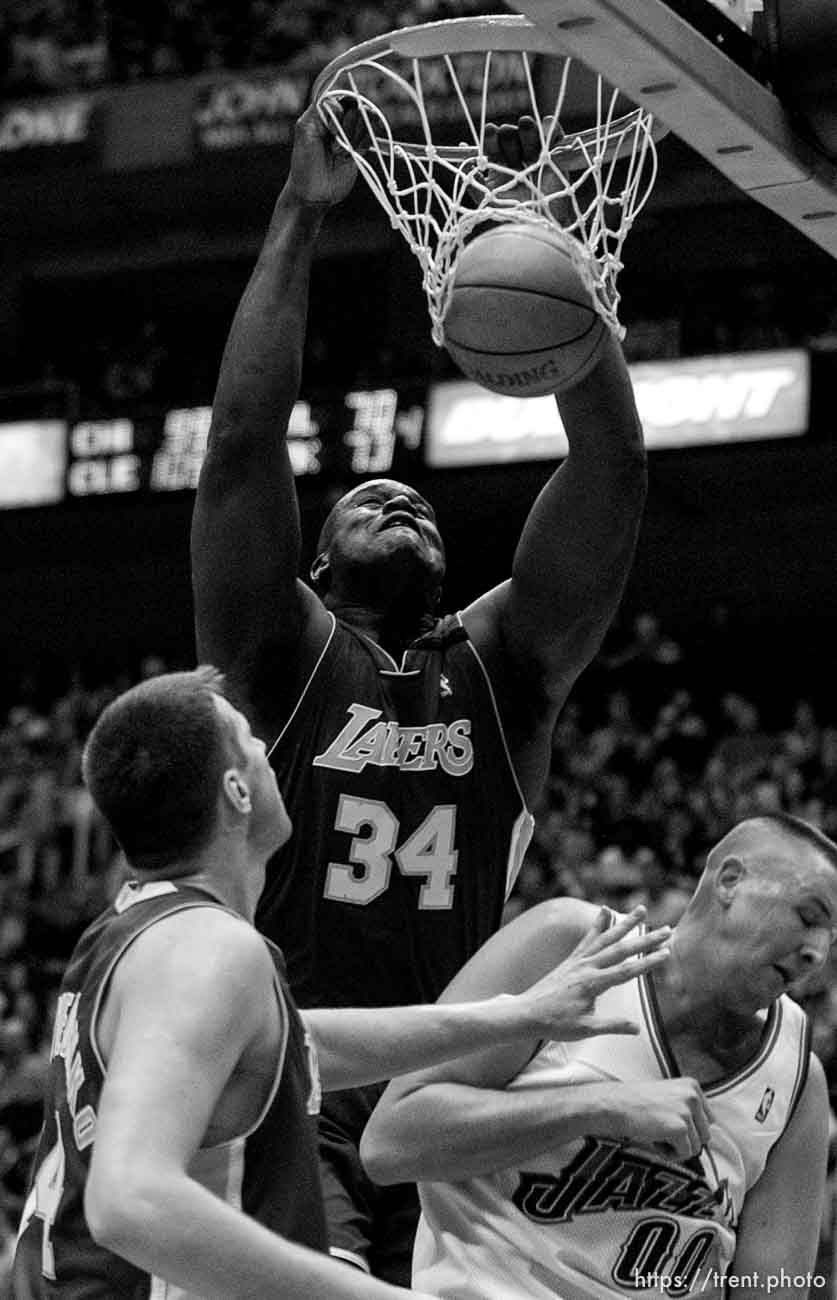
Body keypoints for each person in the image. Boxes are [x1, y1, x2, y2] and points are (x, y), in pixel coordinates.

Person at [191, 99, 648, 1282]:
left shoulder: (507, 667)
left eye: (421, 506)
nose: (401, 499)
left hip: (451, 1093)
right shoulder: (278, 657)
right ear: (313, 568)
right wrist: (297, 213)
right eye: (366, 502)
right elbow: (243, 443)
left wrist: (569, 289)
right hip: (291, 1079)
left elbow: (610, 470)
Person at [11, 669, 672, 1300]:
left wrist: (517, 1015)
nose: (270, 752)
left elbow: (289, 1044)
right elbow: (128, 1201)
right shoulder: (206, 951)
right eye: (252, 742)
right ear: (237, 792)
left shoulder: (139, 929)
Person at [362, 813, 837, 1300]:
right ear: (730, 882)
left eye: (832, 938)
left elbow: (775, 1289)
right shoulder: (572, 947)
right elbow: (391, 1142)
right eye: (808, 917)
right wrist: (599, 1107)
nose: (817, 953)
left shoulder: (799, 1076)